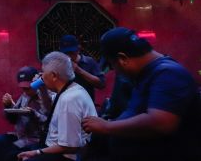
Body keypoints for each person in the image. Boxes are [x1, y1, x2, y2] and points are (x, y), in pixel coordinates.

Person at [81, 27, 201, 161]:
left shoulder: (167, 74)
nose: (115, 71)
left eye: (112, 65)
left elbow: (160, 122)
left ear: (122, 58)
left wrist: (107, 127)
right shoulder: (145, 74)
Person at [18, 52, 96, 161]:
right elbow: (50, 109)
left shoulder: (70, 99)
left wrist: (36, 152)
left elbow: (70, 146)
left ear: (54, 76)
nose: (41, 76)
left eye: (43, 72)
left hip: (66, 156)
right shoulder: (69, 90)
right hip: (54, 147)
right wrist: (42, 88)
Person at [0, 66, 51, 161]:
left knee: (15, 154)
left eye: (28, 88)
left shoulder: (46, 96)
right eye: (23, 88)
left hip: (39, 140)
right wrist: (8, 106)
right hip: (23, 138)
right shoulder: (24, 96)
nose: (25, 91)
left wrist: (34, 114)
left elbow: (50, 121)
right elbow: (13, 120)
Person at [59, 35, 105, 103]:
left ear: (78, 50)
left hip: (87, 105)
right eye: (65, 53)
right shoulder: (58, 64)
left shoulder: (89, 62)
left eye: (71, 53)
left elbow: (101, 84)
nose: (68, 56)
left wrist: (78, 70)